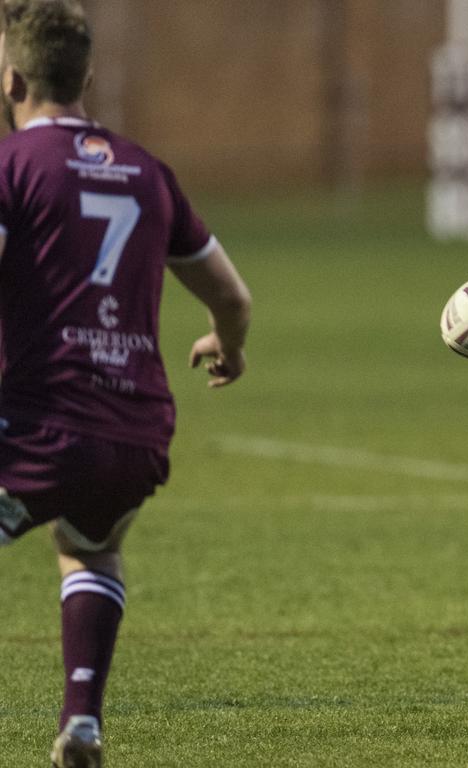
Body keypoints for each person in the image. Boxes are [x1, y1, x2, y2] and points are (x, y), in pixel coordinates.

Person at [0, 2, 252, 765]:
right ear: (86, 76)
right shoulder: (146, 171)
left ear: (12, 80)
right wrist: (228, 349)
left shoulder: (13, 168)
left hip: (36, 423)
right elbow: (232, 300)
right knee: (91, 548)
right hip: (133, 428)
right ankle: (82, 718)